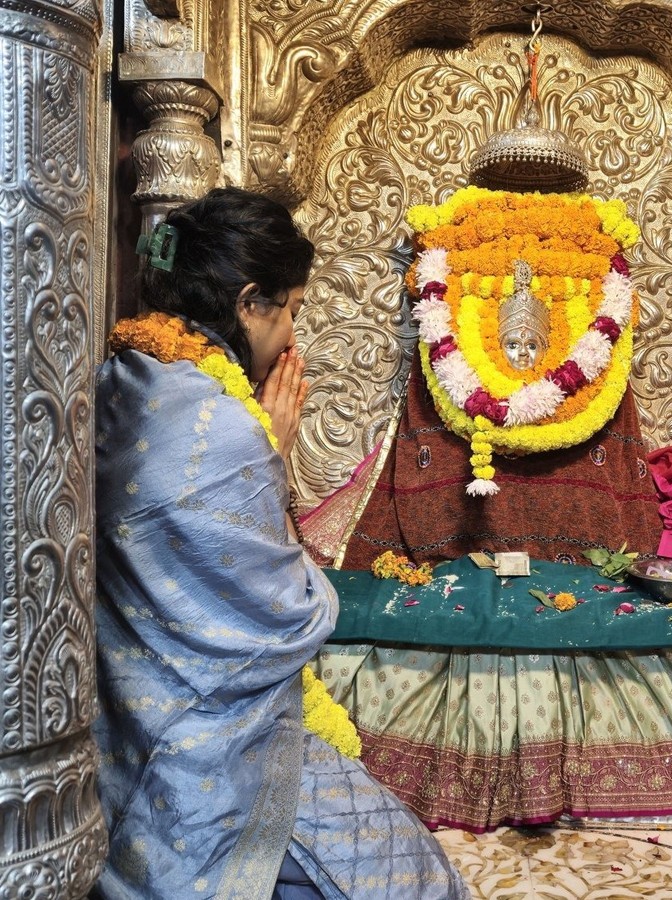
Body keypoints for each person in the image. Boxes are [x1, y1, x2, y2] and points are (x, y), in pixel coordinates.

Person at [92, 187, 468, 899]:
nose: (292, 337)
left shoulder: (128, 374)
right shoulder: (227, 431)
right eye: (290, 308)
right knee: (414, 878)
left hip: (127, 722)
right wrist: (270, 451)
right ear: (248, 302)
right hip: (210, 746)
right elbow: (284, 617)